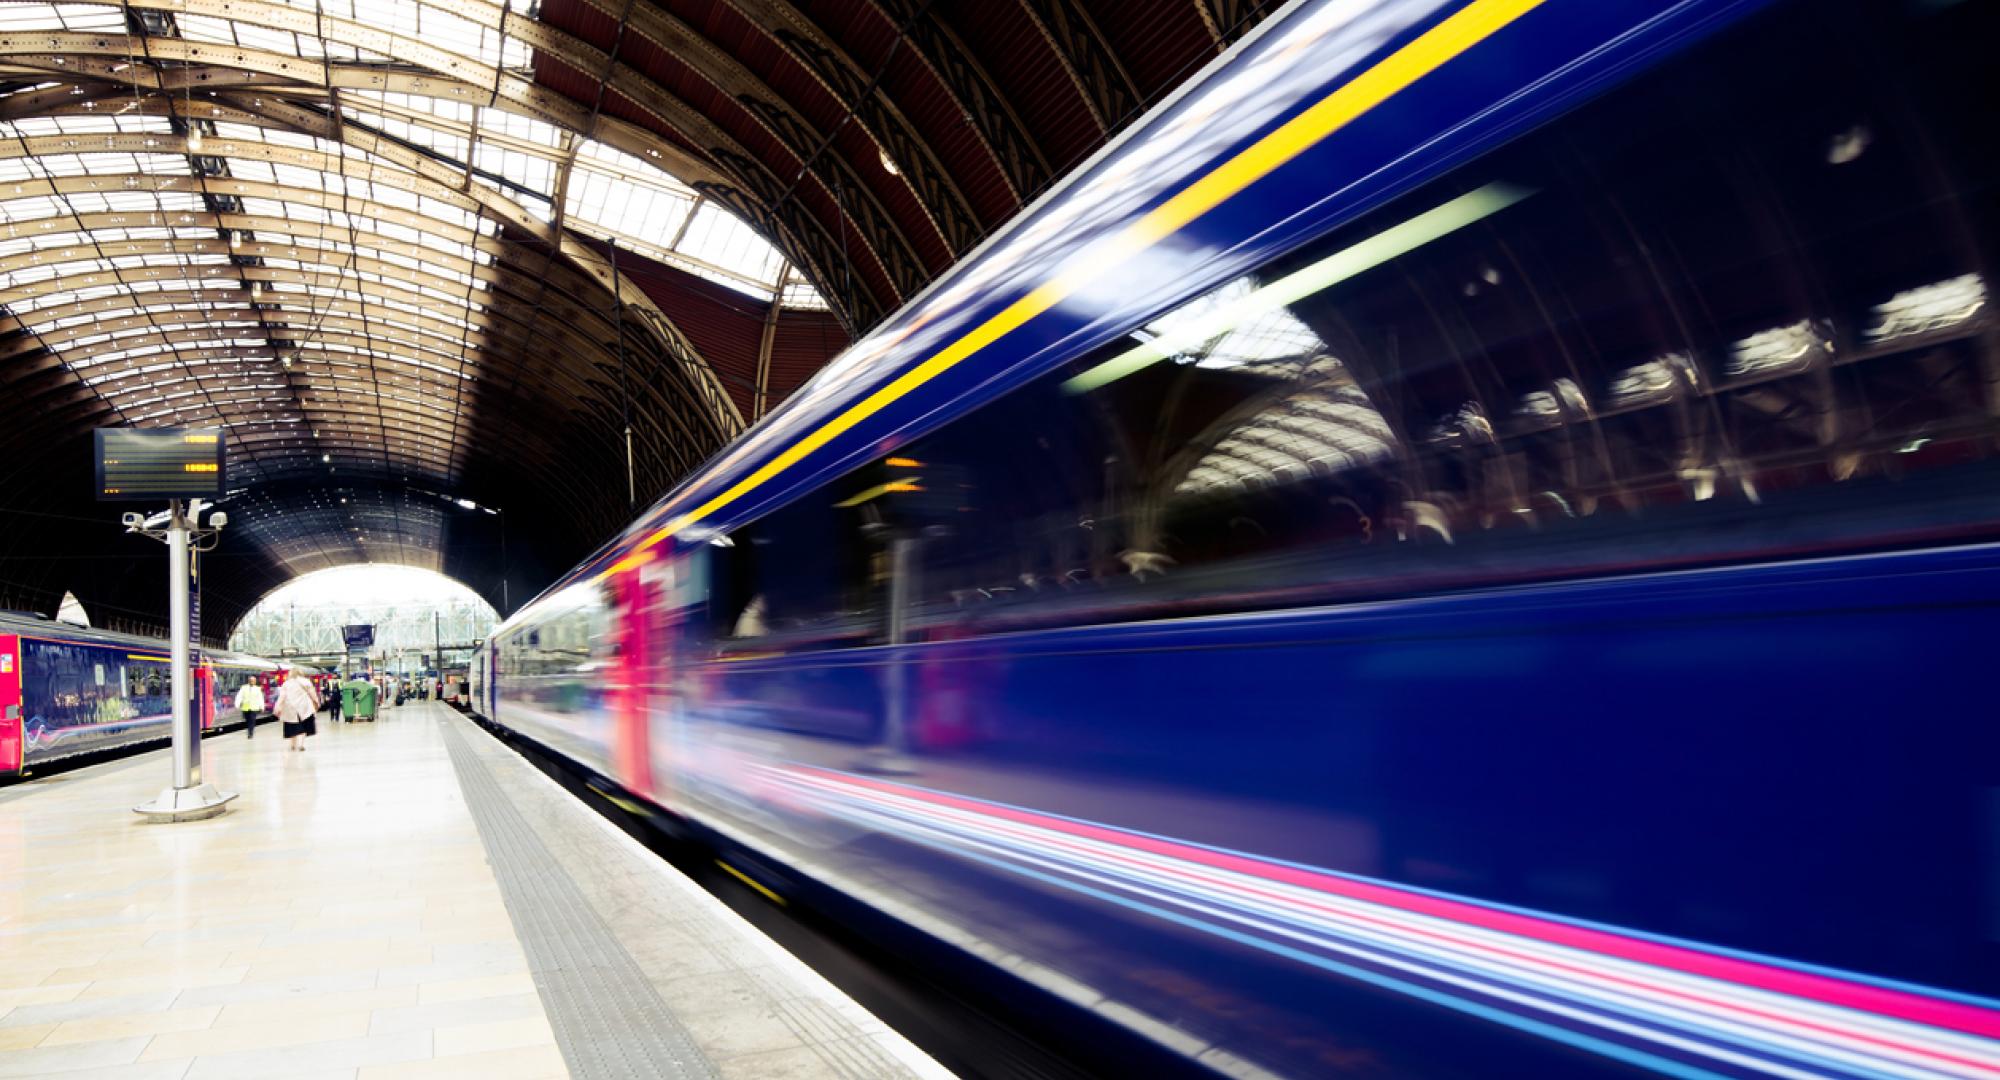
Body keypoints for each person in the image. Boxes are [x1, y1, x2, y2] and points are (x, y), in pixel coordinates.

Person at [275, 670, 320, 752]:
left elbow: (282, 696)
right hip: (304, 708)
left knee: (292, 728)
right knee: (304, 728)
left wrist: (277, 706)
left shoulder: (286, 683)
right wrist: (317, 701)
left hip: (290, 709)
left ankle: (293, 745)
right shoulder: (306, 682)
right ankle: (301, 745)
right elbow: (312, 693)